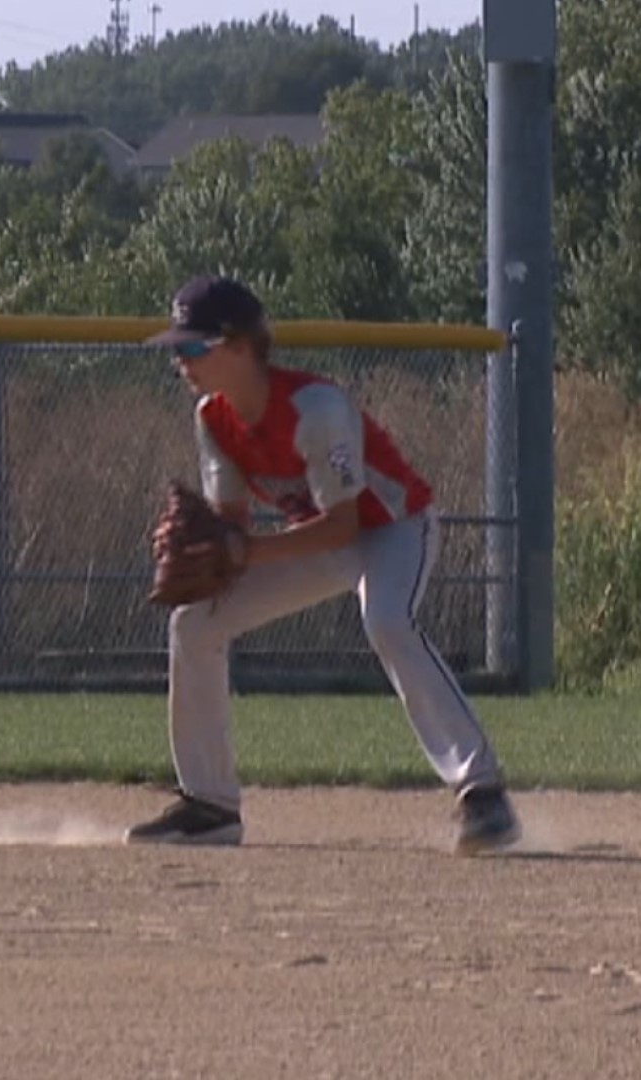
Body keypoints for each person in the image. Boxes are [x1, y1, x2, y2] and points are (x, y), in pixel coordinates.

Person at [125, 274, 521, 855]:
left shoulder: (316, 409)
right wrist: (214, 548)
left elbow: (346, 525)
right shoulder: (213, 418)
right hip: (320, 542)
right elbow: (235, 522)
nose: (180, 361)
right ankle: (210, 807)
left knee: (387, 619)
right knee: (195, 621)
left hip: (395, 528)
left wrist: (245, 552)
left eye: (191, 347)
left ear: (239, 346)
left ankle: (482, 791)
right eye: (176, 349)